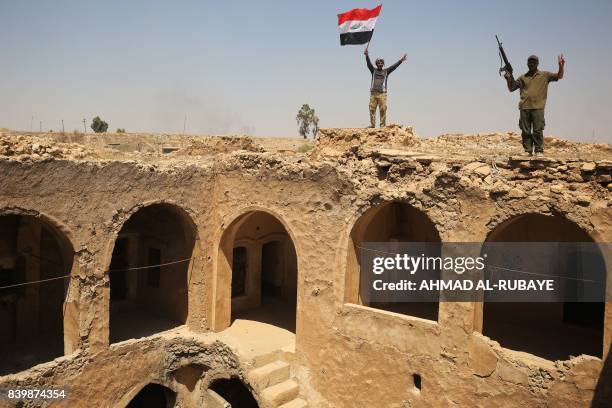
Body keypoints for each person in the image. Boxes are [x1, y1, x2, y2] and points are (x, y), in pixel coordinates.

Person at [504, 54, 565, 157]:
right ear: (527, 64)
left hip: (538, 107)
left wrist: (561, 66)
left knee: (537, 130)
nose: (532, 63)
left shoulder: (545, 75)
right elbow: (512, 88)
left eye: (534, 62)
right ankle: (527, 151)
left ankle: (539, 151)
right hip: (524, 107)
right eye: (530, 62)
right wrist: (508, 79)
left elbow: (559, 76)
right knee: (525, 131)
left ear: (537, 63)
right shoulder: (523, 77)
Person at [364, 49, 407, 128]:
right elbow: (368, 64)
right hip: (373, 93)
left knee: (383, 109)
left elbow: (394, 66)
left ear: (383, 64)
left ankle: (382, 126)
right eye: (378, 63)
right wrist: (366, 55)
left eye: (381, 63)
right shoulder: (373, 70)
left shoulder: (386, 71)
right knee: (372, 109)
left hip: (382, 94)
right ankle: (372, 125)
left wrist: (401, 60)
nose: (380, 64)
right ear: (376, 64)